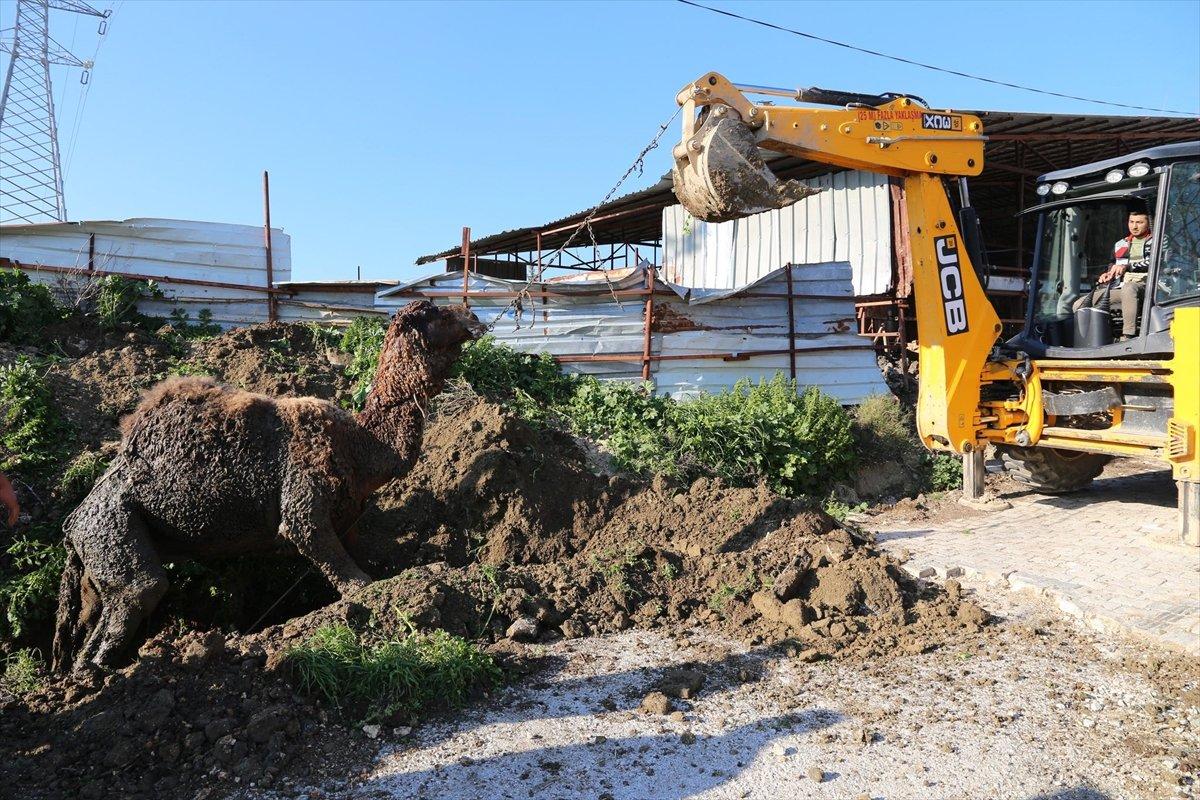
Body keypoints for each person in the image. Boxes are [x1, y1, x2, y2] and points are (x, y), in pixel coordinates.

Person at [1072, 210, 1154, 341]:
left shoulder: (1158, 240)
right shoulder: (1120, 244)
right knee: (1080, 303)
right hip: (1121, 286)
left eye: (1139, 222)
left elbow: (1156, 263)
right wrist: (1108, 274)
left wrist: (1127, 267)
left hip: (1148, 286)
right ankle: (1087, 337)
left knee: (1129, 288)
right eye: (1131, 222)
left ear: (1148, 224)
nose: (1134, 226)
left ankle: (1128, 336)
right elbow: (1113, 265)